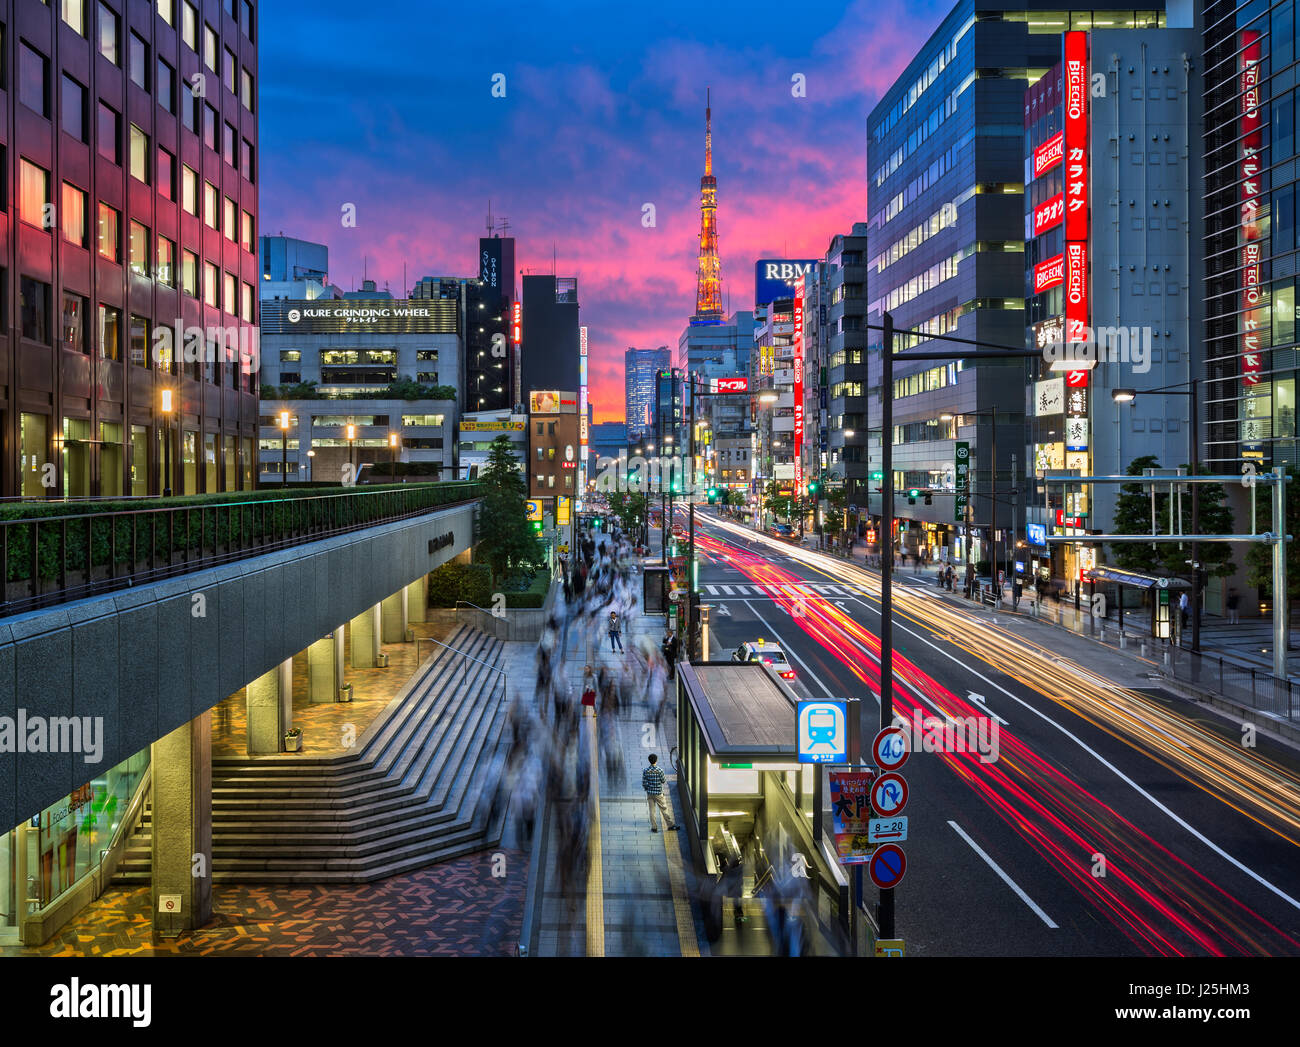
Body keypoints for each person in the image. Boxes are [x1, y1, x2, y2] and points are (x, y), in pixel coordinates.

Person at [641, 753, 678, 832]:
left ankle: (654, 827)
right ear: (656, 760)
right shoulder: (660, 770)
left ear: (649, 761)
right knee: (664, 809)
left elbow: (644, 783)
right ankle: (670, 825)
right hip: (658, 793)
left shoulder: (645, 771)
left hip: (650, 793)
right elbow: (663, 781)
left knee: (652, 810)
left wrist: (648, 788)